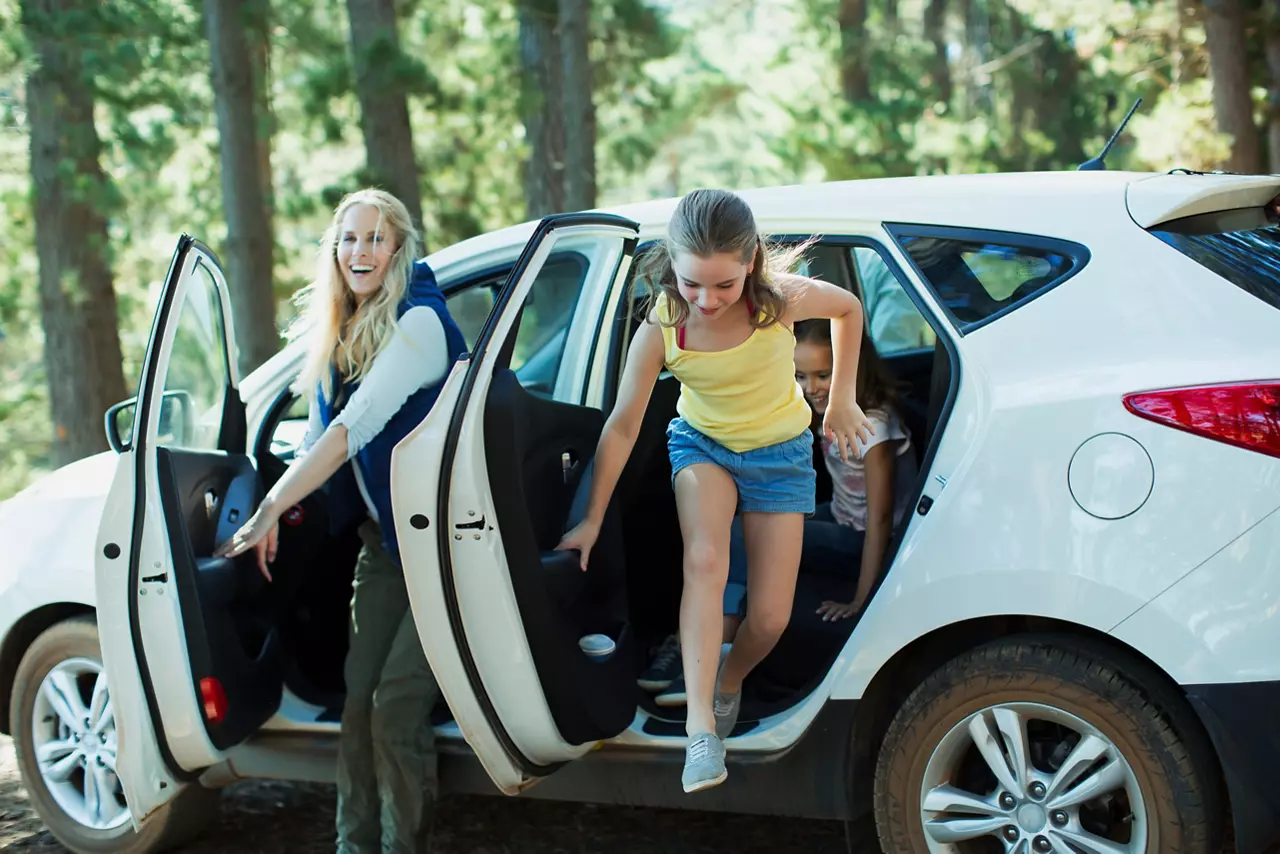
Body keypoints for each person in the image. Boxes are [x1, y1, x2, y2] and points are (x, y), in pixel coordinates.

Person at [555, 188, 873, 793]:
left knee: (771, 618)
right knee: (704, 559)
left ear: (751, 261)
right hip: (702, 447)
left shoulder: (780, 302)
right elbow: (622, 425)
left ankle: (729, 680)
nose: (705, 300)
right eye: (691, 282)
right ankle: (701, 731)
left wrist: (842, 398)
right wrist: (592, 515)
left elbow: (850, 309)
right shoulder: (663, 327)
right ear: (671, 264)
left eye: (723, 285)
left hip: (781, 456)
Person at [215, 188, 467, 853]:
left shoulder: (419, 324)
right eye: (351, 237)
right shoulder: (343, 332)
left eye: (378, 238)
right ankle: (353, 845)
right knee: (356, 707)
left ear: (399, 248)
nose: (362, 251)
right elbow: (313, 443)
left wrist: (272, 505)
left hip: (444, 547)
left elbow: (352, 433)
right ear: (335, 248)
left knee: (394, 708)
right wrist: (280, 501)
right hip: (385, 546)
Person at [639, 319, 918, 705]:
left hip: (863, 538)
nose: (811, 388)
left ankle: (711, 652)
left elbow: (882, 520)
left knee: (741, 537)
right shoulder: (820, 411)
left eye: (824, 375)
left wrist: (862, 598)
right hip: (840, 515)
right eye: (799, 375)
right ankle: (699, 643)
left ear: (851, 368)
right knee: (747, 528)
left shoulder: (873, 427)